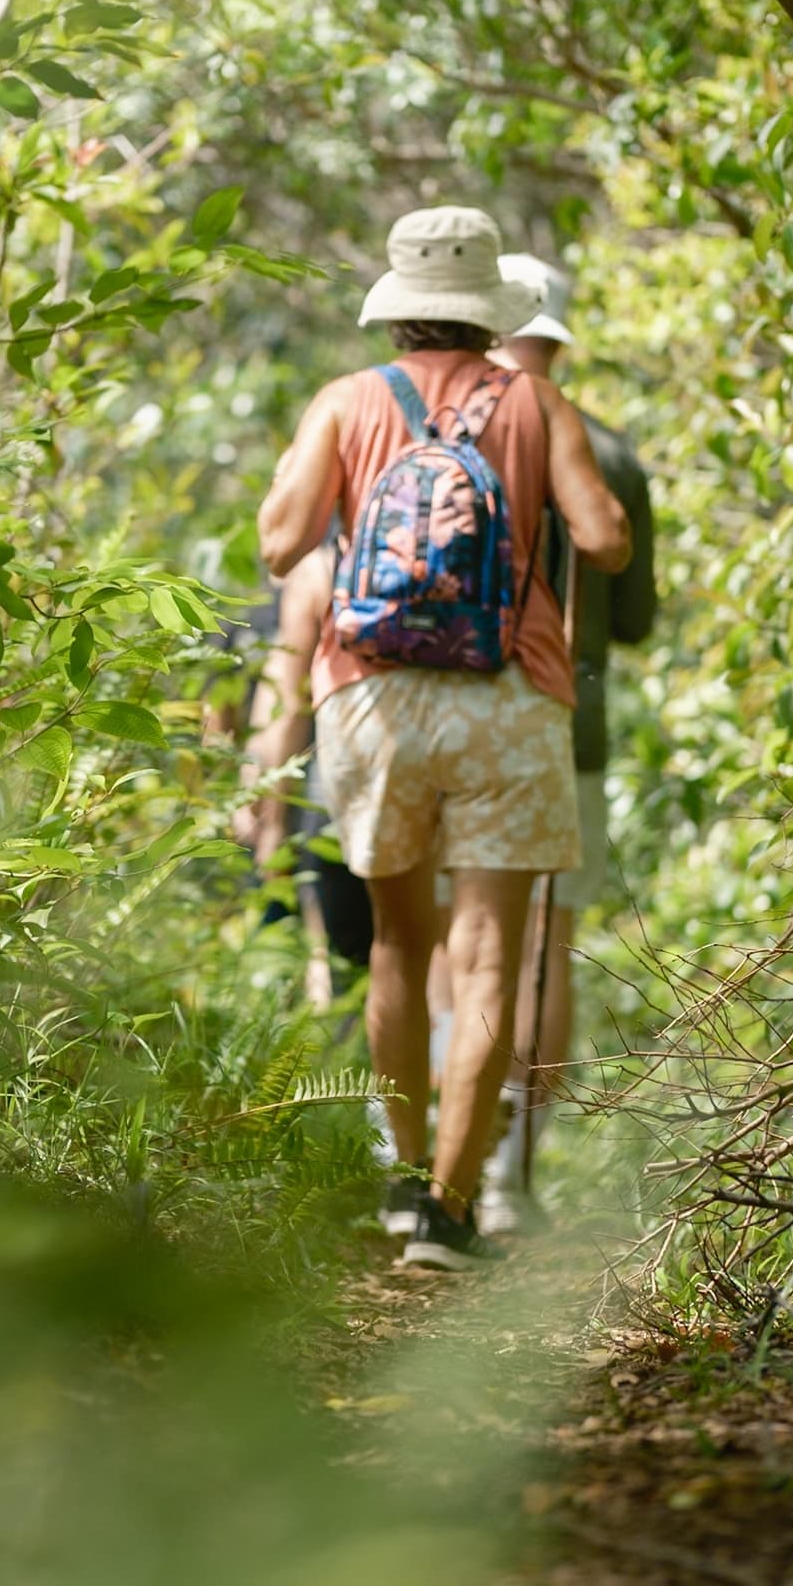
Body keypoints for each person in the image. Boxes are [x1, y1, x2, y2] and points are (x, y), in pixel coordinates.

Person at [258, 206, 631, 1271]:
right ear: (488, 314)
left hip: (372, 701)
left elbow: (281, 545)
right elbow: (603, 539)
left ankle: (405, 1172)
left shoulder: (346, 401)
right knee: (489, 957)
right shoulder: (538, 402)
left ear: (398, 308)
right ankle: (452, 1212)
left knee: (398, 944)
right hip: (508, 699)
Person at [479, 253, 657, 1234]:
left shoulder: (444, 428)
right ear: (557, 335)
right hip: (566, 722)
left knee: (457, 936)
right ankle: (511, 1172)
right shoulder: (610, 454)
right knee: (544, 944)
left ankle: (434, 1155)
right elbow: (634, 622)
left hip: (452, 713)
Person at [238, 546, 373, 1008]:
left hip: (336, 800)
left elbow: (287, 705)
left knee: (344, 960)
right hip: (441, 778)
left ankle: (339, 1044)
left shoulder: (320, 571)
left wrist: (272, 818)